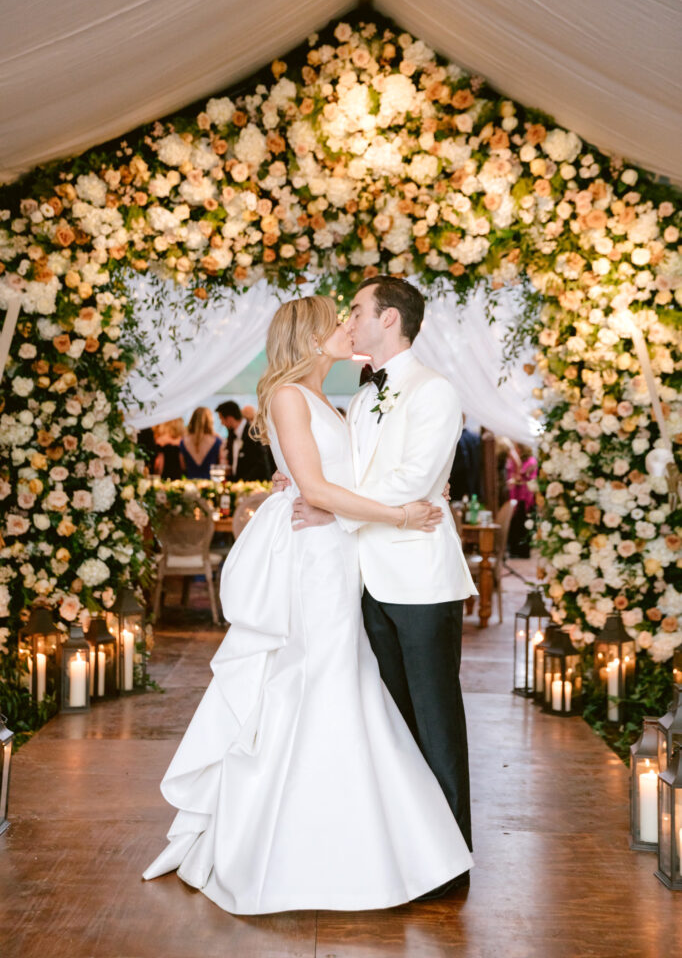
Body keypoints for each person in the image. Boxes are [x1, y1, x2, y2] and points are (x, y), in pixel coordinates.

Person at [142, 294, 473, 914]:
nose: (348, 325)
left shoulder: (342, 397)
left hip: (345, 558)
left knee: (348, 686)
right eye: (338, 320)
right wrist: (386, 508)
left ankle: (374, 843)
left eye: (354, 315)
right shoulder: (292, 395)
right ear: (310, 335)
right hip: (317, 556)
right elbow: (319, 484)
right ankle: (291, 843)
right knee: (313, 680)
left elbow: (345, 473)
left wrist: (343, 489)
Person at [285, 277, 477, 890]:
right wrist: (302, 492)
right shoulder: (364, 397)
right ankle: (410, 855)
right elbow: (348, 470)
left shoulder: (435, 390)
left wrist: (330, 508)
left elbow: (415, 479)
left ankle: (453, 863)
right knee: (393, 724)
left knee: (436, 720)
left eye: (359, 311)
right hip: (363, 579)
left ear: (388, 319)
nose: (350, 319)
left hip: (421, 579)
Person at [216, 400, 273, 480]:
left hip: (253, 485)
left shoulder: (252, 432)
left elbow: (262, 463)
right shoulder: (232, 435)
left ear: (229, 418)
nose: (222, 423)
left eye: (221, 419)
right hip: (237, 485)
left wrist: (243, 482)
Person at [179, 407, 225, 478]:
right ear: (210, 421)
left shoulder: (183, 441)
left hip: (190, 484)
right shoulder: (217, 440)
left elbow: (183, 466)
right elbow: (222, 465)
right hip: (211, 485)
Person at [448, 415, 480, 501]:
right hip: (475, 483)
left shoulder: (456, 439)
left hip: (459, 486)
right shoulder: (476, 437)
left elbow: (460, 464)